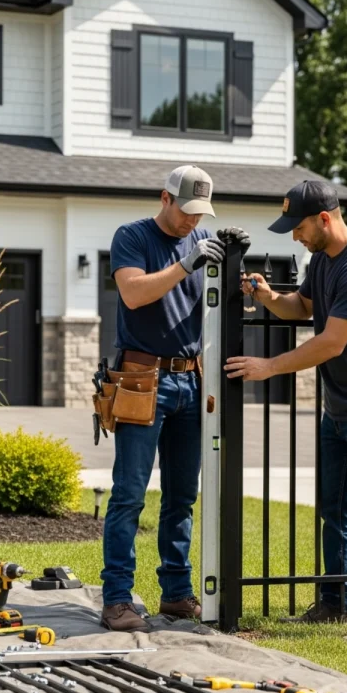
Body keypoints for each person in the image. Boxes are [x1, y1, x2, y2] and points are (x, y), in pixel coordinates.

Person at [224, 180, 347, 643]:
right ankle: (334, 604)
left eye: (299, 227)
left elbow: (331, 342)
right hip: (341, 408)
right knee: (334, 509)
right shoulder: (324, 260)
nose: (295, 236)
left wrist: (269, 366)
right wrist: (269, 297)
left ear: (325, 219)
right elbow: (303, 307)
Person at [101, 165, 250, 631]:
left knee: (182, 496)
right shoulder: (132, 236)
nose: (192, 221)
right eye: (186, 211)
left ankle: (176, 593)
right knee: (129, 495)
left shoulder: (201, 239)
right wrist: (186, 264)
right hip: (141, 379)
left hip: (192, 381)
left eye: (200, 213)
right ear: (164, 198)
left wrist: (235, 262)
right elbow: (133, 294)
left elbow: (225, 302)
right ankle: (117, 600)